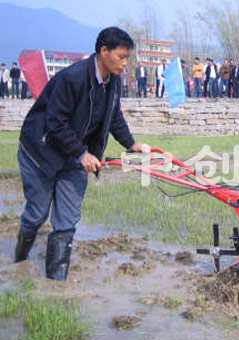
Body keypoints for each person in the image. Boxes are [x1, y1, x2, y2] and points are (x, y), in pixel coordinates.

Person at [15, 27, 149, 281]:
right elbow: (55, 122)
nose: (125, 63)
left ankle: (56, 284)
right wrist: (81, 154)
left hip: (75, 156)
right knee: (37, 213)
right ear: (103, 51)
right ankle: (19, 261)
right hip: (41, 152)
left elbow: (114, 115)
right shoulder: (72, 78)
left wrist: (131, 144)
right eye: (121, 57)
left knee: (66, 220)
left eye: (127, 58)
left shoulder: (113, 81)